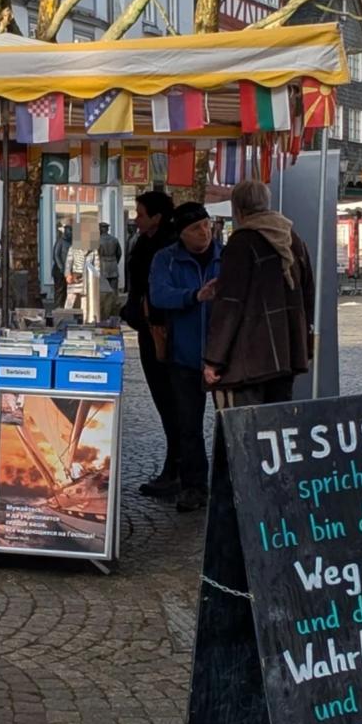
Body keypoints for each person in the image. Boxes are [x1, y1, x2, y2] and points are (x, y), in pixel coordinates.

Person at [201, 178, 316, 407]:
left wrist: (214, 359)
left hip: (249, 357)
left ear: (238, 208)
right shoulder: (292, 238)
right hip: (286, 351)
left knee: (243, 431)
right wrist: (303, 341)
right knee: (276, 427)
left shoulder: (243, 242)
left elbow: (229, 305)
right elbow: (308, 293)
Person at [149, 201, 221, 512]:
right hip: (184, 356)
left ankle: (231, 484)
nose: (204, 232)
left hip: (224, 356)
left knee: (232, 423)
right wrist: (194, 296)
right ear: (181, 234)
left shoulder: (227, 255)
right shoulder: (166, 259)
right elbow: (158, 295)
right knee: (188, 426)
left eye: (206, 224)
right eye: (195, 228)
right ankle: (194, 487)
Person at [121, 190, 179, 496]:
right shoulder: (144, 242)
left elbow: (154, 291)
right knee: (166, 402)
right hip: (147, 329)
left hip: (162, 333)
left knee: (171, 402)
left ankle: (176, 469)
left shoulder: (166, 246)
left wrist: (142, 314)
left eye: (140, 213)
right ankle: (176, 465)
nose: (135, 218)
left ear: (156, 217)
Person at [51, 222, 73, 310]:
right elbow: (55, 255)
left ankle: (64, 307)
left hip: (67, 271)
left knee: (66, 291)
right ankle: (57, 307)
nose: (71, 234)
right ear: (66, 232)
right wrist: (61, 267)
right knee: (59, 290)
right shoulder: (60, 242)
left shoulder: (71, 243)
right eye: (70, 231)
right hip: (59, 271)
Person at [97, 222, 122, 293]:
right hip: (113, 266)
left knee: (104, 290)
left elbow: (96, 254)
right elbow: (119, 253)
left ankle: (107, 303)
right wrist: (115, 261)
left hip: (103, 266)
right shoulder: (114, 239)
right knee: (114, 288)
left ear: (100, 229)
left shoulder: (98, 240)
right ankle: (115, 302)